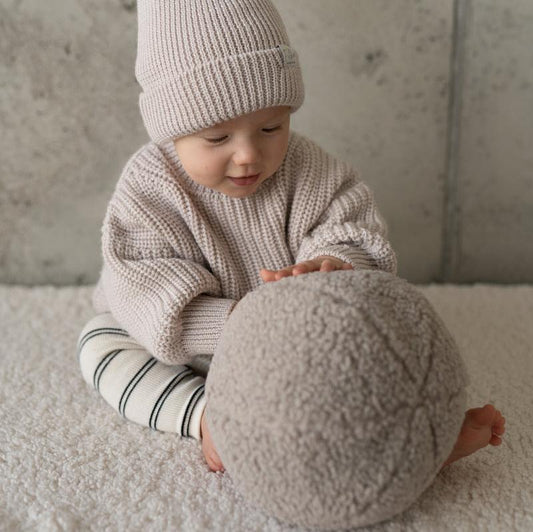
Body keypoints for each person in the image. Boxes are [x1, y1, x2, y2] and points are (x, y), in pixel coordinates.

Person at [77, 0, 505, 474]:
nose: (247, 155)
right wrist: (237, 323)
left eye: (270, 127)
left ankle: (425, 433)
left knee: (373, 341)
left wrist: (334, 265)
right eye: (217, 138)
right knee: (102, 343)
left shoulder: (309, 169)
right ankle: (204, 417)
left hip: (299, 345)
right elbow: (138, 283)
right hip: (194, 348)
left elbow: (354, 228)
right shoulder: (150, 187)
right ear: (170, 130)